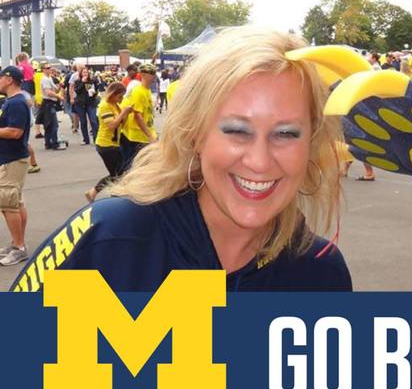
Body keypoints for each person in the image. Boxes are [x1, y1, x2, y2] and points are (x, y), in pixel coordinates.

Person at [10, 28, 352, 292]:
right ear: (196, 134)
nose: (260, 161)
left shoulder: (321, 274)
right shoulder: (109, 241)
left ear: (312, 142)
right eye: (237, 130)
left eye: (286, 133)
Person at [0, 67, 31, 266]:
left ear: (9, 79)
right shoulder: (13, 101)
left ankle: (19, 247)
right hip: (13, 158)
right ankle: (17, 243)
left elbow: (15, 132)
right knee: (15, 203)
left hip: (12, 158)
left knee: (8, 204)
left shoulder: (16, 102)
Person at [84, 82, 133, 203]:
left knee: (118, 173)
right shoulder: (105, 105)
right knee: (117, 174)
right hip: (106, 145)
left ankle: (96, 193)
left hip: (113, 144)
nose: (121, 99)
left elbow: (121, 124)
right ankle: (109, 195)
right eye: (120, 96)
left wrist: (126, 114)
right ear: (112, 94)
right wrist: (124, 112)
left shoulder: (115, 105)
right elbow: (112, 125)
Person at [119, 63, 157, 172]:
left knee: (142, 167)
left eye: (154, 73)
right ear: (143, 75)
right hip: (137, 137)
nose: (154, 76)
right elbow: (138, 116)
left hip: (143, 134)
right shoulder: (138, 91)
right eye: (151, 73)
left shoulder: (146, 90)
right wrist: (150, 135)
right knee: (135, 168)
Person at [39, 63, 63, 150]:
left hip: (50, 103)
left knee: (49, 124)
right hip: (48, 103)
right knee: (53, 124)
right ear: (43, 70)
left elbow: (55, 90)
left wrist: (60, 86)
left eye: (50, 67)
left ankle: (48, 143)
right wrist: (58, 97)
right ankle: (54, 144)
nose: (50, 69)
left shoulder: (49, 78)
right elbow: (48, 92)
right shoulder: (45, 79)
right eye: (48, 68)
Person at [74, 68, 100, 145]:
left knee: (93, 121)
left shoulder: (92, 81)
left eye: (86, 72)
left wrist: (94, 92)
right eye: (83, 72)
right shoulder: (78, 81)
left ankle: (96, 139)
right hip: (80, 103)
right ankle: (86, 139)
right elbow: (77, 91)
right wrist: (82, 82)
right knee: (83, 122)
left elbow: (95, 91)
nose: (85, 74)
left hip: (90, 103)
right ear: (81, 74)